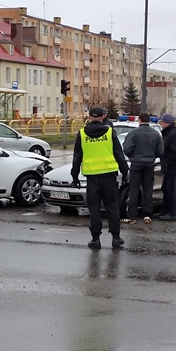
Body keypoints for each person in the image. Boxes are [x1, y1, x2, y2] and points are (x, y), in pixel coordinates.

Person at [70, 106, 129, 250]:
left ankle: (95, 239)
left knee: (94, 208)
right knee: (112, 207)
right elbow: (119, 154)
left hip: (92, 178)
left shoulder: (82, 134)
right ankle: (116, 238)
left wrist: (75, 175)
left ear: (89, 117)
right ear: (102, 116)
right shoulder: (109, 132)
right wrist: (125, 172)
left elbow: (77, 156)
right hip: (109, 176)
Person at [123, 112, 163, 224]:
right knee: (148, 190)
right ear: (149, 120)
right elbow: (161, 151)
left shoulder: (133, 133)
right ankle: (147, 215)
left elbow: (127, 149)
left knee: (134, 190)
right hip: (149, 164)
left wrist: (132, 156)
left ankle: (132, 217)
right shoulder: (156, 134)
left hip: (136, 164)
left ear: (139, 120)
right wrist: (152, 156)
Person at [157, 112, 176, 221]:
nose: (161, 125)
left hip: (173, 168)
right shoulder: (170, 133)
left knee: (172, 190)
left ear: (167, 123)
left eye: (162, 122)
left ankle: (172, 212)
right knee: (166, 189)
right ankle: (165, 210)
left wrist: (167, 162)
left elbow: (175, 152)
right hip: (170, 167)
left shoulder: (174, 134)